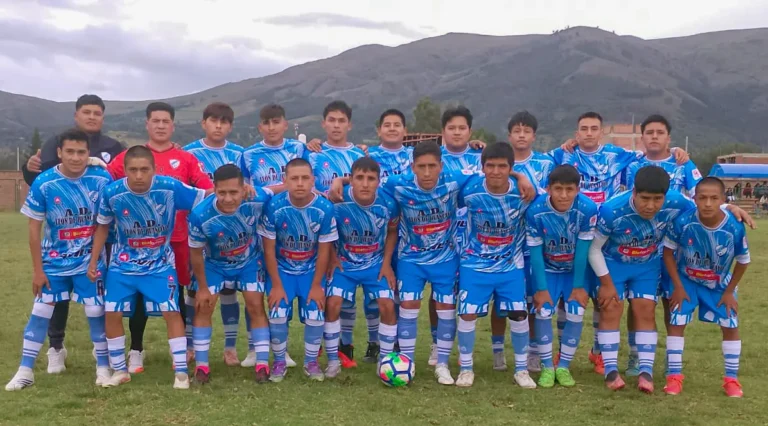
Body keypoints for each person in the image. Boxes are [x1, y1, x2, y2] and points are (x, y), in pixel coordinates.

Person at [551, 111, 689, 375]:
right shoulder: (563, 155)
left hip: (613, 236)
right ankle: (561, 351)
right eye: (583, 128)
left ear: (602, 132)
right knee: (571, 298)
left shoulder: (620, 155)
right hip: (575, 231)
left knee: (605, 300)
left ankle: (599, 353)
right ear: (576, 133)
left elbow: (651, 154)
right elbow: (536, 164)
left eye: (594, 128)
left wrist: (673, 152)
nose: (589, 133)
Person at [89, 145, 208, 389]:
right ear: (125, 171)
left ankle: (181, 373)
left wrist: (243, 191)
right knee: (111, 313)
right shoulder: (112, 193)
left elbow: (205, 196)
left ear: (154, 169)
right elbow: (102, 227)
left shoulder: (170, 187)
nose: (139, 175)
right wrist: (93, 261)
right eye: (133, 170)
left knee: (171, 312)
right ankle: (120, 370)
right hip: (122, 266)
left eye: (144, 169)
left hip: (160, 265)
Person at [21, 94, 125, 375]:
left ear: (103, 117)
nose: (92, 117)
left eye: (97, 113)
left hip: (103, 239)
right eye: (86, 112)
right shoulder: (56, 143)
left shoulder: (114, 147)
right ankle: (56, 347)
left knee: (99, 300)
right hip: (61, 244)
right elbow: (40, 180)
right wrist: (27, 168)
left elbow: (124, 180)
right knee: (57, 297)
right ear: (76, 114)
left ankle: (103, 350)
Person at [107, 102, 213, 372]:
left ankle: (181, 350)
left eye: (166, 121)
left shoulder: (186, 158)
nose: (161, 126)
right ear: (147, 124)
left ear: (173, 125)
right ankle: (136, 350)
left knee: (175, 295)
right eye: (156, 121)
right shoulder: (129, 156)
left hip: (176, 239)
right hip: (135, 242)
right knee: (136, 296)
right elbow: (105, 183)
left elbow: (205, 190)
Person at [6, 129, 114, 391]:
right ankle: (25, 370)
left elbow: (104, 224)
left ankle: (103, 368)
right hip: (54, 263)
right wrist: (37, 270)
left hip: (89, 262)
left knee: (96, 312)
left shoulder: (101, 179)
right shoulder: (44, 183)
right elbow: (34, 229)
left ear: (88, 154)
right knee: (40, 311)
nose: (76, 157)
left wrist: (95, 260)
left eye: (81, 152)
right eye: (70, 152)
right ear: (59, 153)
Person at [622, 114, 703, 376]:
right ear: (642, 137)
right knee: (637, 304)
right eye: (650, 132)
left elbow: (703, 194)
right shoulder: (633, 165)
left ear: (669, 138)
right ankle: (635, 355)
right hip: (641, 246)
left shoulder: (683, 163)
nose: (654, 137)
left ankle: (672, 356)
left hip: (673, 248)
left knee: (671, 301)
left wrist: (729, 208)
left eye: (660, 132)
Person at [455, 143, 534, 389]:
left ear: (511, 168)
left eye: (502, 166)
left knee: (519, 314)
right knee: (467, 313)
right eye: (490, 166)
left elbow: (551, 199)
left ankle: (521, 370)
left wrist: (521, 178)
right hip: (474, 264)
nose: (496, 171)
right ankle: (466, 368)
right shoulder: (469, 188)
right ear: (482, 167)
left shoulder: (525, 192)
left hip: (510, 266)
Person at [662, 177, 749, 397]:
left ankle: (731, 380)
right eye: (702, 198)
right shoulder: (683, 222)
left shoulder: (734, 226)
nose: (708, 203)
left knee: (730, 323)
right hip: (686, 281)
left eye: (713, 198)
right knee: (676, 321)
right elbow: (668, 253)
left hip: (718, 284)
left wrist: (729, 292)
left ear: (723, 200)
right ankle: (674, 377)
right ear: (695, 198)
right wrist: (677, 286)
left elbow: (743, 261)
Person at [188, 164, 275, 383]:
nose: (228, 198)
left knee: (255, 305)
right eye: (222, 192)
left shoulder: (256, 198)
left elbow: (280, 188)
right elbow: (195, 253)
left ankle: (262, 364)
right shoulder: (199, 214)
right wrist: (202, 288)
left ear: (244, 189)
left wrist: (316, 191)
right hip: (214, 264)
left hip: (249, 262)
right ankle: (202, 367)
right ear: (214, 189)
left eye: (234, 192)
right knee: (204, 306)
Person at [184, 102, 252, 368]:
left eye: (224, 122)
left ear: (230, 126)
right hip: (200, 228)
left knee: (229, 292)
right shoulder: (190, 152)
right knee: (195, 291)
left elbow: (246, 187)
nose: (218, 126)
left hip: (231, 231)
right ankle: (191, 345)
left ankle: (230, 348)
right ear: (204, 123)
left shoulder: (239, 154)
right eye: (214, 121)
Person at [238, 103, 306, 368]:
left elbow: (306, 177)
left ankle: (281, 348)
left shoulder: (298, 149)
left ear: (285, 124)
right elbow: (244, 189)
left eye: (276, 122)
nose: (271, 127)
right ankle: (254, 348)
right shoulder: (248, 155)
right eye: (266, 123)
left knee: (281, 289)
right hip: (258, 230)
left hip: (291, 228)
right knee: (255, 292)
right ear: (260, 127)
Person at [258, 158, 338, 382]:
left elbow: (324, 251)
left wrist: (317, 285)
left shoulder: (324, 209)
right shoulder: (274, 206)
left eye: (305, 178)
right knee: (277, 313)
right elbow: (268, 250)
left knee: (315, 313)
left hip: (310, 271)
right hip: (282, 270)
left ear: (313, 180)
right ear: (285, 180)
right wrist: (276, 285)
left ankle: (311, 362)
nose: (300, 183)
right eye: (294, 178)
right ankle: (279, 362)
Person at [324, 157, 399, 378]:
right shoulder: (337, 200)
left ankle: (385, 361)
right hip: (344, 264)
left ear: (378, 181)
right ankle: (333, 360)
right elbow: (325, 231)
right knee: (333, 303)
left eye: (371, 179)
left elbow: (392, 231)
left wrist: (386, 263)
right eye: (360, 178)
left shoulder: (388, 204)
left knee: (387, 305)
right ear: (351, 179)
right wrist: (332, 258)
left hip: (375, 265)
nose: (365, 184)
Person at [306, 100, 367, 368]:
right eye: (332, 120)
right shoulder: (313, 153)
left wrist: (341, 181)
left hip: (350, 232)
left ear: (349, 125)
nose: (336, 125)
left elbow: (367, 180)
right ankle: (320, 344)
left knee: (346, 293)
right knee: (324, 290)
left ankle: (346, 346)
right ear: (323, 123)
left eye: (342, 121)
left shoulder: (359, 155)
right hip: (319, 232)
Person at [526, 165, 597, 388]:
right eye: (558, 189)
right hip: (548, 269)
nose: (564, 195)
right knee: (543, 311)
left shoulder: (587, 208)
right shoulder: (535, 211)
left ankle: (564, 366)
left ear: (578, 190)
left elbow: (583, 250)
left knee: (576, 312)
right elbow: (535, 253)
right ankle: (548, 366)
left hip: (575, 271)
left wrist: (578, 286)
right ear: (548, 189)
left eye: (569, 189)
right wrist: (540, 288)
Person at [506, 111, 555, 373]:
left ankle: (535, 352)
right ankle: (508, 352)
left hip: (538, 244)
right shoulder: (501, 163)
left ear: (534, 136)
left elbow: (554, 194)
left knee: (536, 299)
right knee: (514, 303)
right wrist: (517, 175)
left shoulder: (546, 164)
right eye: (517, 131)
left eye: (526, 131)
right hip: (509, 244)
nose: (522, 135)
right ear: (509, 135)